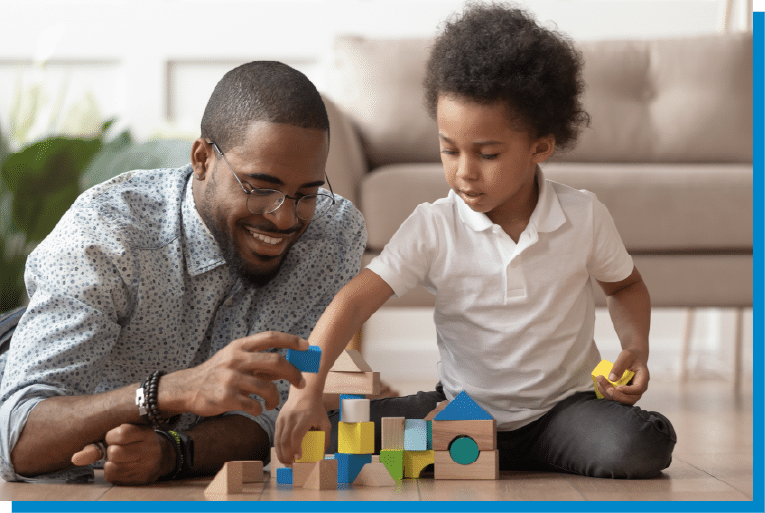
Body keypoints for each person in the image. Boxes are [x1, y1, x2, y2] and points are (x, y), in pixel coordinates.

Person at [275, 4, 676, 479]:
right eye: (449, 149)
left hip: (565, 414)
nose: (464, 171)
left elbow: (625, 286)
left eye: (487, 154)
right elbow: (351, 302)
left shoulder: (582, 215)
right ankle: (465, 446)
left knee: (640, 446)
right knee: (335, 431)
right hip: (463, 410)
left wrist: (637, 348)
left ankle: (478, 455)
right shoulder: (434, 226)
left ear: (540, 147)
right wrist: (304, 392)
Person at [0, 61, 366, 484]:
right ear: (202, 159)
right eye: (260, 188)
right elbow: (17, 440)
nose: (285, 219)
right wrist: (166, 392)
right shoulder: (108, 235)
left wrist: (174, 452)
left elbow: (277, 412)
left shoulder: (331, 237)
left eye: (305, 194)